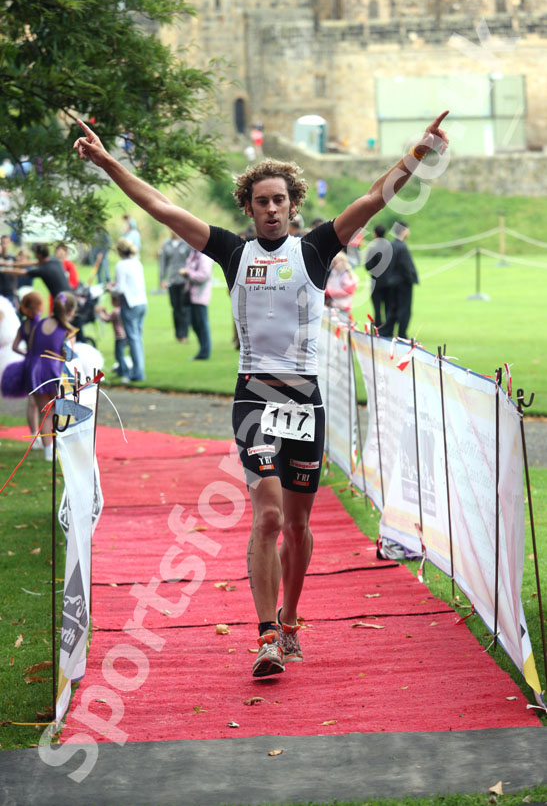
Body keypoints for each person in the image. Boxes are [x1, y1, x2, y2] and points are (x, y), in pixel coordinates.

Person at [74, 110, 449, 677]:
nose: (271, 209)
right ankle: (267, 634)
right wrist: (107, 162)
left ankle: (293, 619)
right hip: (254, 396)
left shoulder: (316, 250)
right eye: (260, 201)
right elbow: (161, 207)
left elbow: (374, 197)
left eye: (279, 200)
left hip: (305, 399)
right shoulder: (232, 252)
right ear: (247, 208)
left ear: (291, 205)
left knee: (299, 525)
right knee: (268, 516)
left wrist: (418, 154)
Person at [22, 292, 77, 460]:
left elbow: (31, 345)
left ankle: (48, 451)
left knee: (44, 411)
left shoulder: (40, 323)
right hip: (53, 371)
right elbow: (68, 355)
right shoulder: (68, 330)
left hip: (35, 370)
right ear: (71, 311)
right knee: (59, 409)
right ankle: (61, 445)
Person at [1, 291, 44, 448]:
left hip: (29, 364)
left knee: (33, 402)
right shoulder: (40, 325)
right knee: (39, 402)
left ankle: (35, 435)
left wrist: (27, 354)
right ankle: (43, 437)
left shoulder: (23, 325)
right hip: (39, 366)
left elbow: (15, 347)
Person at [110, 237, 147, 382]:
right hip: (142, 302)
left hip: (130, 304)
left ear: (119, 251)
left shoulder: (121, 265)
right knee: (138, 338)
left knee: (133, 339)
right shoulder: (137, 263)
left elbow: (120, 288)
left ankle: (137, 373)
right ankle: (138, 369)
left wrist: (110, 289)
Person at [381, 221, 419, 340]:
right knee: (404, 309)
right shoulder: (402, 247)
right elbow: (406, 266)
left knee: (392, 307)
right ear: (404, 230)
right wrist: (411, 279)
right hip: (403, 283)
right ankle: (402, 333)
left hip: (392, 282)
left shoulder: (391, 245)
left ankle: (388, 330)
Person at [178, 249, 214, 360]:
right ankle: (203, 351)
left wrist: (188, 273)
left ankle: (205, 352)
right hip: (192, 296)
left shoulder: (204, 256)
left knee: (201, 325)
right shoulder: (193, 254)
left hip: (200, 295)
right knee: (195, 324)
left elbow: (204, 275)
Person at [159, 230, 193, 342]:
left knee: (184, 308)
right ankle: (178, 334)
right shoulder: (166, 244)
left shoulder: (186, 243)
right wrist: (162, 279)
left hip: (184, 280)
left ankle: (185, 334)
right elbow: (163, 263)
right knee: (175, 307)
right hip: (172, 280)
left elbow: (192, 260)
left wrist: (190, 274)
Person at [364, 223, 392, 332]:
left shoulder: (373, 247)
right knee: (388, 306)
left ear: (375, 234)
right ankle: (388, 328)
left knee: (377, 308)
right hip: (390, 281)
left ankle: (378, 329)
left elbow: (368, 266)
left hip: (376, 281)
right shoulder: (390, 246)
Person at [95, 293, 129, 378]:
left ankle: (123, 371)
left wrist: (99, 313)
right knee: (120, 354)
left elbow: (107, 319)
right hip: (124, 335)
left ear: (114, 301)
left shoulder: (115, 311)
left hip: (119, 337)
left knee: (118, 355)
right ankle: (122, 370)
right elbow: (111, 315)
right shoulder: (120, 309)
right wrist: (105, 311)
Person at [324, 252, 358, 317]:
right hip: (332, 306)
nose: (333, 265)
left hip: (342, 307)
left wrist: (329, 292)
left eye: (335, 263)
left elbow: (347, 291)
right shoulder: (334, 273)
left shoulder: (347, 275)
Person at [0, 234, 18, 308]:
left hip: (10, 291)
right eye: (2, 243)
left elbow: (16, 274)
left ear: (11, 243)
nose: (5, 245)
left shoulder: (13, 258)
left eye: (7, 242)